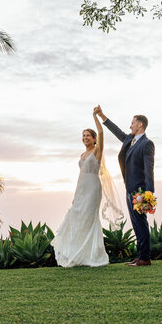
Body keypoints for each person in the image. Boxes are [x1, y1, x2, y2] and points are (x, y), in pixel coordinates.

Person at [51, 108, 123, 267]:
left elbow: (101, 133)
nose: (85, 138)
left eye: (88, 135)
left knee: (89, 219)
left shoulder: (97, 151)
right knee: (76, 216)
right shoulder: (81, 156)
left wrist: (95, 116)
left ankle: (93, 255)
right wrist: (76, 195)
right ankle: (78, 255)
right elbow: (80, 176)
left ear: (94, 139)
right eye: (83, 136)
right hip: (82, 189)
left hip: (93, 189)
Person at [95, 105, 155, 266]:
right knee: (136, 224)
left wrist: (149, 194)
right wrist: (102, 116)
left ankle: (144, 258)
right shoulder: (131, 140)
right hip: (130, 188)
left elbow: (149, 170)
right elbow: (119, 132)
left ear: (140, 124)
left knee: (140, 223)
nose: (130, 126)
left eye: (133, 123)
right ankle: (140, 255)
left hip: (140, 192)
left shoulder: (147, 144)